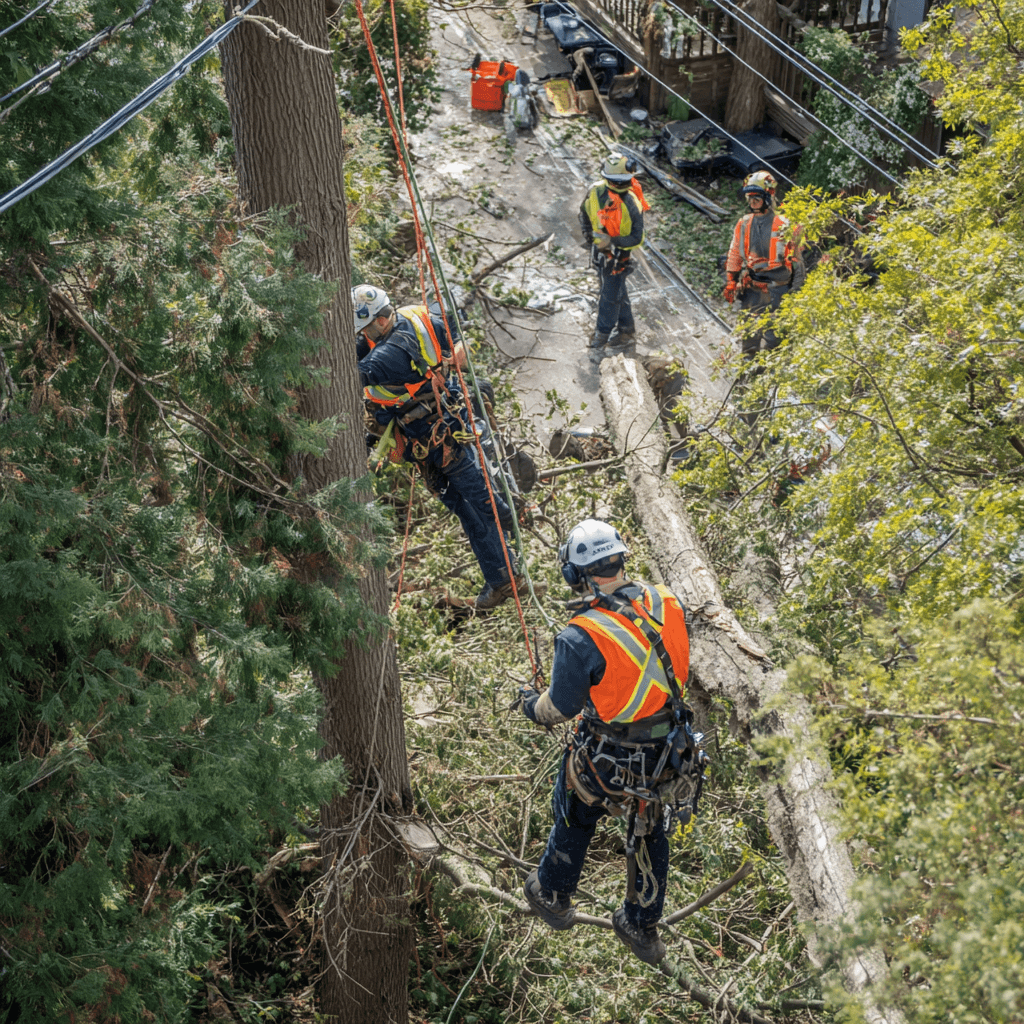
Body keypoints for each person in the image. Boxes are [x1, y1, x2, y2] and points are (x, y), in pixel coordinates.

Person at [518, 519, 704, 965]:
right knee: (648, 825)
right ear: (621, 558)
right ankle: (642, 927)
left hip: (611, 756)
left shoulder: (580, 634)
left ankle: (554, 892)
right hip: (666, 752)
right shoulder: (667, 600)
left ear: (575, 573)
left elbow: (559, 707)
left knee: (575, 803)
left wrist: (528, 704)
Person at [353, 285, 521, 610]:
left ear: (379, 322)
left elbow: (350, 375)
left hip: (437, 433)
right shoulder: (417, 316)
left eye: (365, 328)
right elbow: (448, 319)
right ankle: (502, 572)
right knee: (469, 504)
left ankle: (509, 537)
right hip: (450, 416)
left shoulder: (387, 355)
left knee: (478, 503)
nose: (363, 335)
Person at [723, 170, 804, 360]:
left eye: (756, 198)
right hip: (753, 288)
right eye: (749, 198)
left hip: (779, 290)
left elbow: (797, 262)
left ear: (769, 196)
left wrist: (797, 292)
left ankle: (769, 378)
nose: (752, 203)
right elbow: (735, 253)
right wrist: (730, 281)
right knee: (749, 333)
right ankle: (747, 372)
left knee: (775, 340)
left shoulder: (786, 225)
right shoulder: (744, 224)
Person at [578, 154, 650, 355]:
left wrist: (613, 241)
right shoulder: (595, 192)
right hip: (599, 251)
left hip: (619, 257)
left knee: (609, 297)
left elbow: (637, 237)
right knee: (617, 291)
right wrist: (589, 235)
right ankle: (627, 330)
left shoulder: (632, 203)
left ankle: (600, 338)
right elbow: (583, 213)